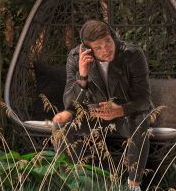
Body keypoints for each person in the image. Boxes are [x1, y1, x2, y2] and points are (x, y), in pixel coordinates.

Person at [51, 19, 152, 182]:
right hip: (93, 114)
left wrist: (120, 109)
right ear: (89, 50)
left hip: (125, 114)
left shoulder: (132, 54)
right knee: (61, 120)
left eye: (108, 42)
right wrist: (82, 76)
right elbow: (69, 103)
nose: (106, 49)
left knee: (141, 119)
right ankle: (70, 182)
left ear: (112, 37)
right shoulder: (76, 57)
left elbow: (144, 100)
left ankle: (134, 185)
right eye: (98, 47)